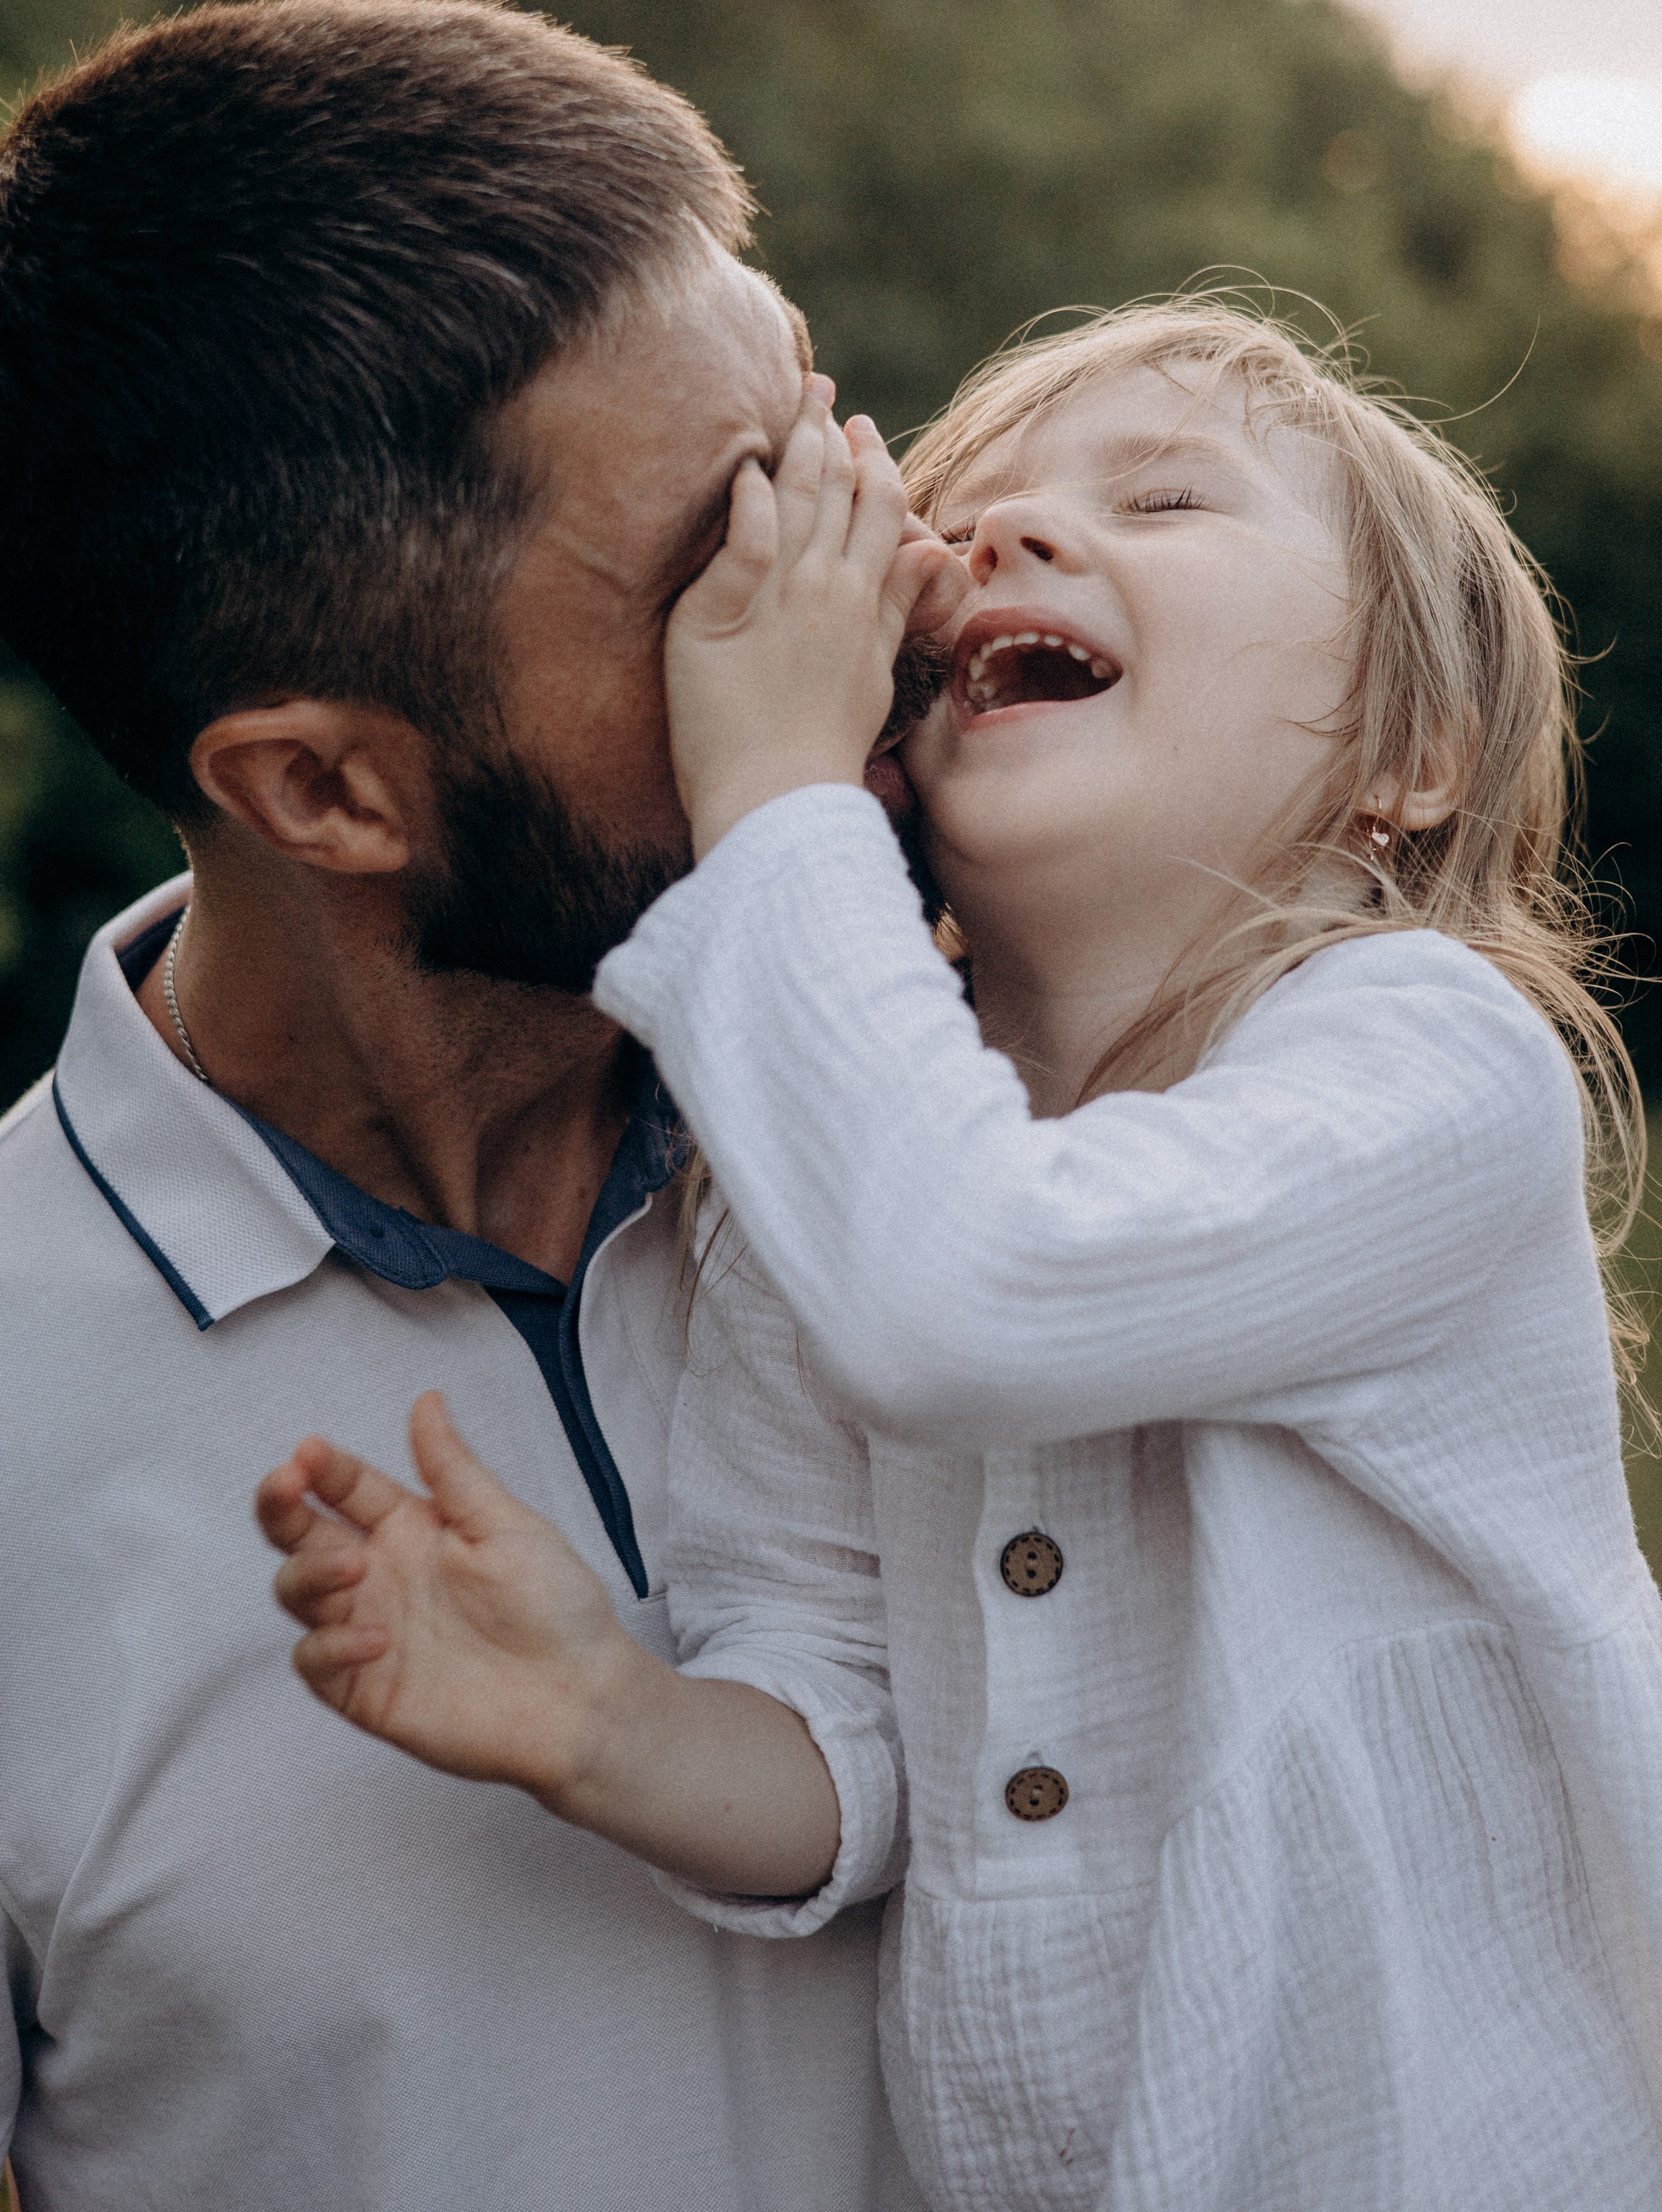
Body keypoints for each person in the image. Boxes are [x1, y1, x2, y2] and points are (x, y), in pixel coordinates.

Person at [260, 301, 1662, 2212]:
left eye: (1164, 496)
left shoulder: (1429, 1059)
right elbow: (845, 1731)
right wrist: (609, 1723)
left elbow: (976, 1294)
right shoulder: (818, 1184)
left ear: (1409, 753)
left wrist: (775, 803)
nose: (1003, 536)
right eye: (957, 531)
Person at [0, 0, 952, 2211]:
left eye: (822, 427)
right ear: (326, 788)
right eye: (731, 555)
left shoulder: (1022, 1128)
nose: (882, 570)